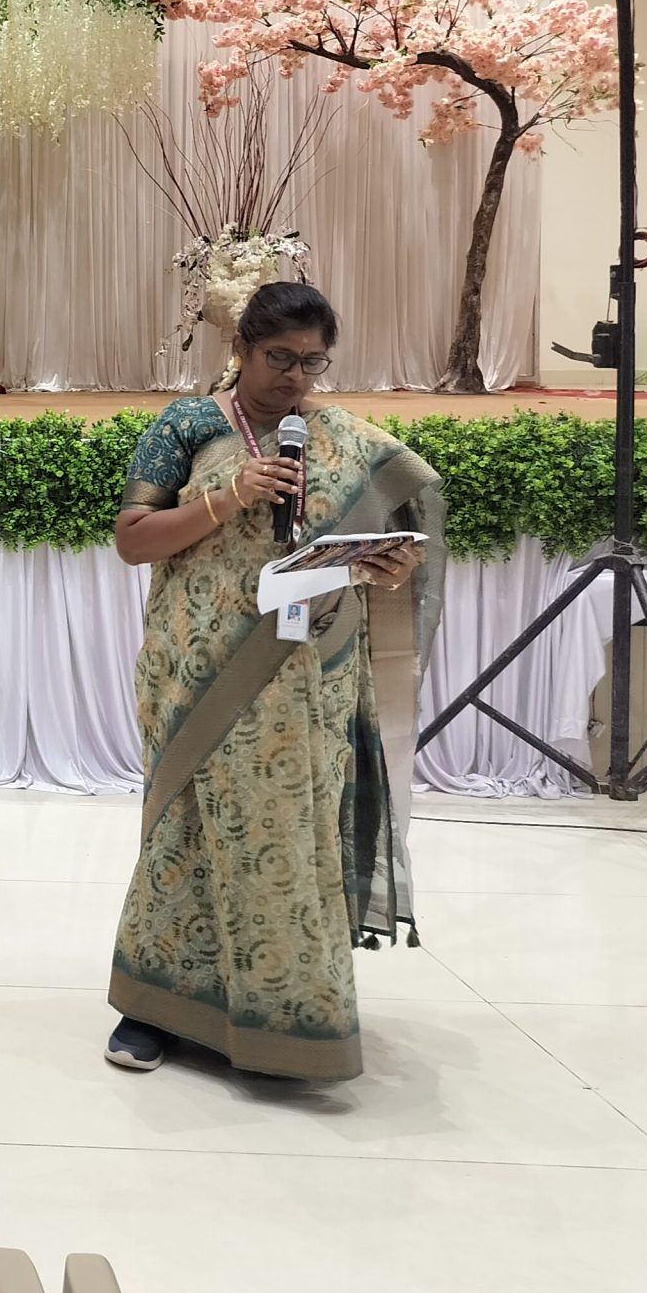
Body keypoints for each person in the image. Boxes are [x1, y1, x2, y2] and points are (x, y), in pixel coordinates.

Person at [103, 281, 443, 1083]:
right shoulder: (188, 426)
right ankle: (153, 1009)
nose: (294, 376)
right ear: (242, 350)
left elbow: (407, 509)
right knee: (187, 830)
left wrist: (383, 564)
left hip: (307, 677)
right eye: (278, 358)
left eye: (311, 362)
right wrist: (230, 497)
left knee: (291, 838)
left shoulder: (344, 438)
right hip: (198, 669)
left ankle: (288, 1019)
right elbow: (133, 539)